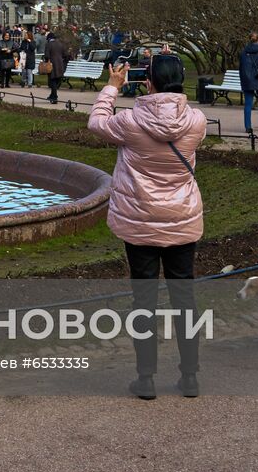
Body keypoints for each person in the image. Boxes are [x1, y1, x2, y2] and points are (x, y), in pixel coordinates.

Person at [87, 54, 207, 398]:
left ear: (147, 82)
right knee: (185, 298)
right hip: (181, 218)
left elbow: (96, 124)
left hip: (139, 219)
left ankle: (146, 377)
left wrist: (111, 87)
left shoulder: (129, 121)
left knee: (144, 299)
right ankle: (190, 376)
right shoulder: (196, 121)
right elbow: (173, 114)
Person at [44, 31, 69, 104]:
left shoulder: (48, 44)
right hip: (60, 65)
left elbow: (47, 56)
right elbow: (66, 55)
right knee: (56, 80)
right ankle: (52, 95)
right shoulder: (61, 44)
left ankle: (54, 97)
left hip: (52, 65)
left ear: (49, 38)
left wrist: (46, 61)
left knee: (53, 81)